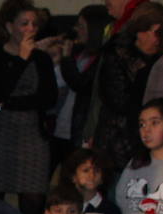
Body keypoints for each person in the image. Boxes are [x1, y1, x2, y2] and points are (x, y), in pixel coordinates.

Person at [0, 0, 57, 214]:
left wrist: (11, 103)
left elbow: (48, 98)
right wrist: (21, 59)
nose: (30, 29)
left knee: (33, 199)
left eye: (34, 24)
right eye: (24, 24)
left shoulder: (42, 59)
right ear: (10, 27)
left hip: (32, 135)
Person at [94, 4, 163, 171]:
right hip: (119, 138)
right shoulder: (119, 55)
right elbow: (119, 101)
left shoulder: (157, 61)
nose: (158, 39)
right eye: (156, 32)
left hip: (144, 137)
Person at [52, 5, 112, 164]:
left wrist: (66, 58)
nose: (76, 30)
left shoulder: (101, 59)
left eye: (81, 26)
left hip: (82, 126)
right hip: (63, 123)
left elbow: (81, 84)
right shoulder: (80, 53)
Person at [116, 99, 163, 214]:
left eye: (155, 122)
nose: (147, 130)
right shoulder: (136, 163)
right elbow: (121, 199)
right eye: (142, 124)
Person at [63, 147, 122, 214]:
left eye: (97, 171)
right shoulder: (62, 206)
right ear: (73, 176)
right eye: (85, 170)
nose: (91, 176)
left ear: (102, 178)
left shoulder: (111, 211)